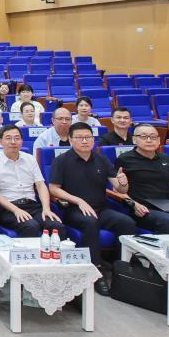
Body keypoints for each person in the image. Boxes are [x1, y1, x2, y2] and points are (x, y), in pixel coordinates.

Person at [47, 122, 134, 294]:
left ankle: (121, 267)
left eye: (88, 137)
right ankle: (96, 270)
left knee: (126, 222)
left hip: (101, 209)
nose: (85, 141)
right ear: (70, 140)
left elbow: (120, 189)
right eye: (79, 137)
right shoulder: (61, 161)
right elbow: (54, 189)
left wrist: (123, 183)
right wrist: (78, 201)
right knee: (90, 222)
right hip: (74, 210)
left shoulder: (101, 159)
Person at [0, 125, 62, 238]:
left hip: (33, 206)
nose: (13, 142)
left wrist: (46, 208)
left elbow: (40, 185)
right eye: (8, 138)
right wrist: (16, 210)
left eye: (17, 138)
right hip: (8, 208)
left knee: (56, 226)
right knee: (31, 226)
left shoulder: (30, 159)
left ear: (22, 141)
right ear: (0, 141)